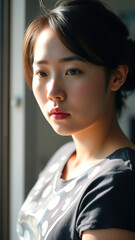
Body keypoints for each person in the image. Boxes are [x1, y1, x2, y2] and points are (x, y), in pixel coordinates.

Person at [17, 0, 135, 239]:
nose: (53, 92)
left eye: (72, 71)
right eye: (42, 73)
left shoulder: (116, 182)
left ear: (117, 77)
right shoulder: (63, 156)